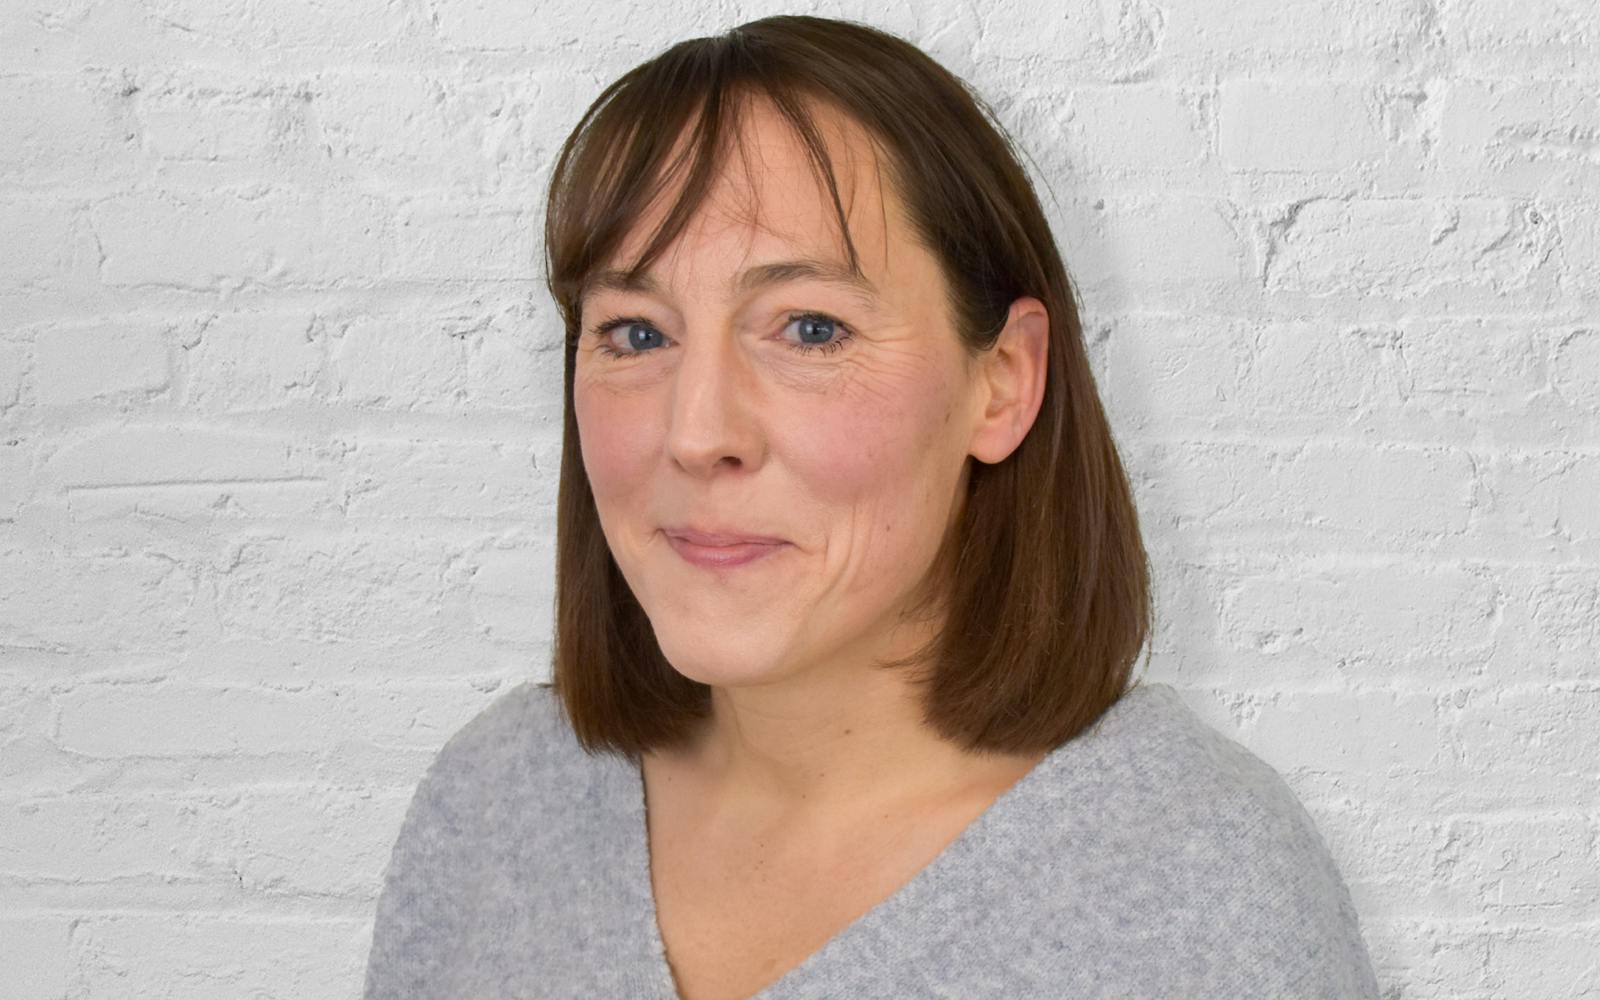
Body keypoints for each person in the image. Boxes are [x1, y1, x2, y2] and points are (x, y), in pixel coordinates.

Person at [363, 14, 1381, 999]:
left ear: (1004, 382)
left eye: (808, 328)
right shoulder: (496, 806)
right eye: (635, 333)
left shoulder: (1205, 890)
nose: (696, 430)